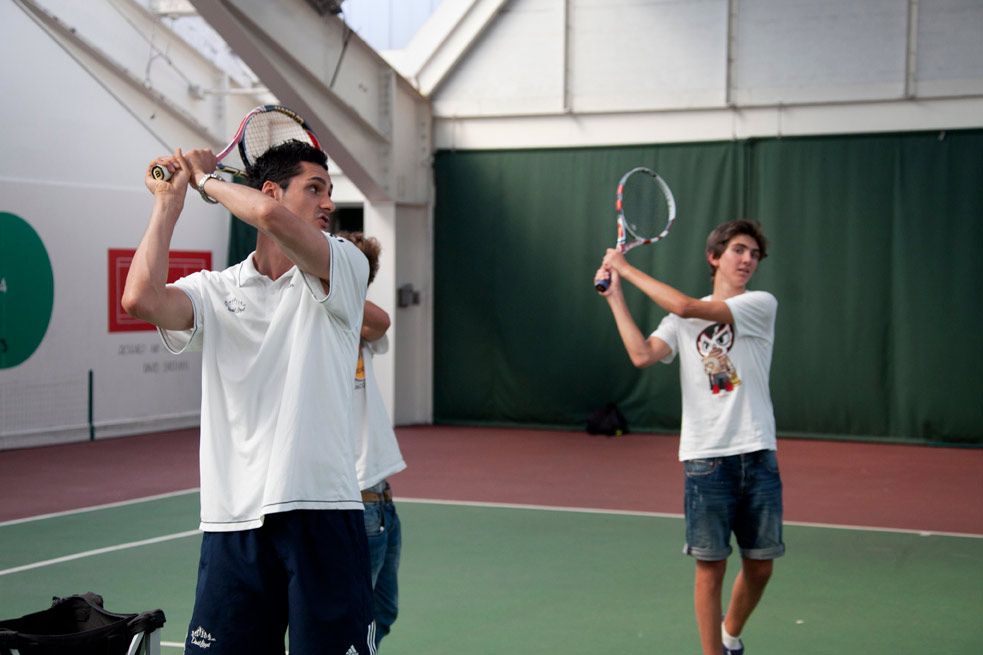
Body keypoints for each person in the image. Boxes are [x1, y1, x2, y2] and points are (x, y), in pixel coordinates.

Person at [123, 141, 378, 654]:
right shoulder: (215, 289)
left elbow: (265, 216)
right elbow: (140, 299)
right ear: (273, 188)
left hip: (321, 512)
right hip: (231, 520)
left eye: (330, 191)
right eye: (315, 189)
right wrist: (168, 202)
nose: (329, 203)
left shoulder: (344, 266)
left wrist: (204, 181)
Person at [595, 218, 783, 655]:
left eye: (754, 254)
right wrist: (615, 296)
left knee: (761, 567)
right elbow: (642, 355)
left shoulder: (760, 303)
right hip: (706, 459)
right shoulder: (680, 317)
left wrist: (624, 266)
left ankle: (729, 632)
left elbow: (682, 307)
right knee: (709, 568)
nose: (747, 260)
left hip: (757, 454)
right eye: (738, 250)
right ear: (714, 257)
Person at [337, 231, 408, 649]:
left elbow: (380, 320)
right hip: (354, 501)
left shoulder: (360, 326)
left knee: (382, 614)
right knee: (353, 621)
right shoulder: (316, 321)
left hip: (382, 500)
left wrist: (340, 279)